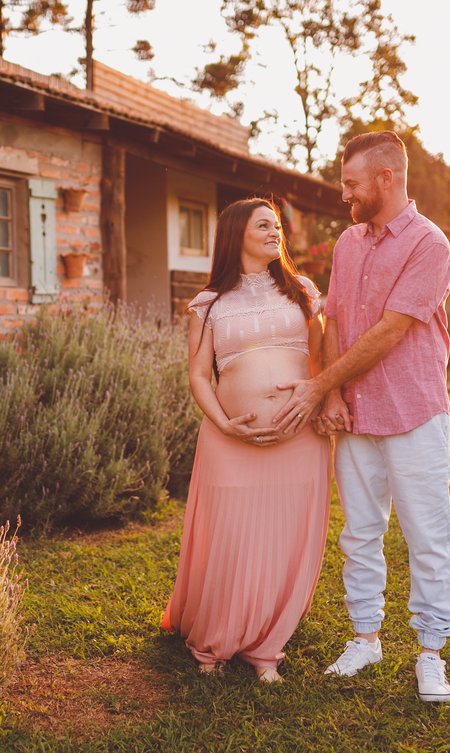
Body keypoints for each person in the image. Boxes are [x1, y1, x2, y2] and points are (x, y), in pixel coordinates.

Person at [271, 130, 450, 702]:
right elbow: (336, 322)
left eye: (351, 183)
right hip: (355, 417)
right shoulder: (349, 243)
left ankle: (430, 653)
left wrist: (319, 384)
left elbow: (390, 332)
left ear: (386, 178)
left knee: (427, 537)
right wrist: (331, 397)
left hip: (414, 413)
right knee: (360, 536)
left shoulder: (430, 243)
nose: (344, 193)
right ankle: (365, 638)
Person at [162, 197, 332, 684]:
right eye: (264, 225)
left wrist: (318, 404)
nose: (275, 232)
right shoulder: (209, 303)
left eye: (276, 225)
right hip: (229, 441)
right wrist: (224, 423)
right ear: (236, 234)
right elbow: (198, 375)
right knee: (230, 537)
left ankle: (266, 646)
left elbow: (321, 360)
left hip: (300, 438)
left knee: (286, 536)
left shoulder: (302, 291)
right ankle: (214, 640)